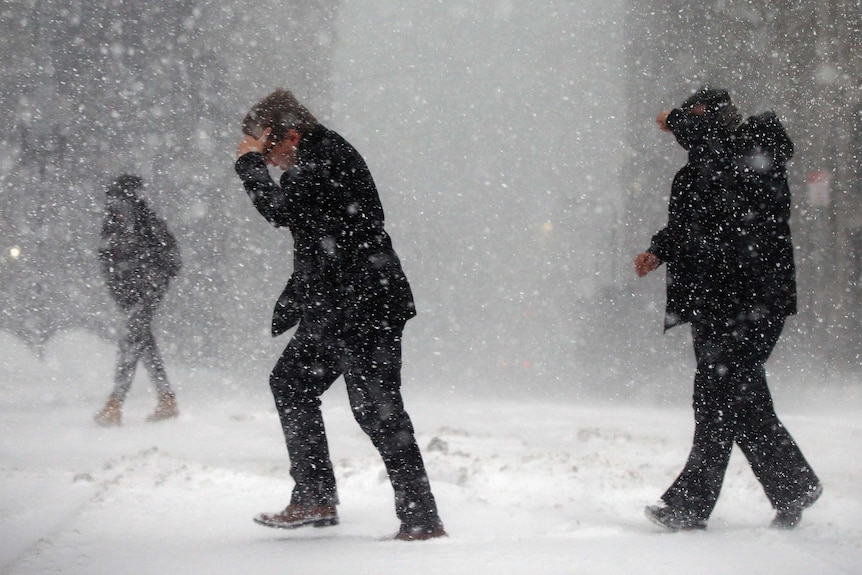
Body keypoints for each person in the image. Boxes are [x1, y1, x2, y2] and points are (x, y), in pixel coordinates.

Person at [234, 89, 446, 541]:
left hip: (364, 303)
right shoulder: (316, 157)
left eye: (268, 150)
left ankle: (421, 518)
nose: (269, 162)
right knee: (293, 383)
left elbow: (281, 212)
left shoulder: (321, 159)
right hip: (339, 304)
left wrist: (247, 166)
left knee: (377, 410)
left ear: (290, 134)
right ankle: (314, 496)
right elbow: (313, 232)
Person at [634, 86, 822, 530]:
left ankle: (690, 504)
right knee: (744, 403)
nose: (684, 121)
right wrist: (659, 250)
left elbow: (729, 207)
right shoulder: (704, 165)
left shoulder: (756, 149)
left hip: (750, 302)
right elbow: (697, 222)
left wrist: (679, 122)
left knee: (715, 400)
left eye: (695, 114)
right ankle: (793, 485)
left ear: (718, 117)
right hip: (717, 302)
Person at [94, 174, 182, 426]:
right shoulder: (113, 226)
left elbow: (173, 260)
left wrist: (151, 277)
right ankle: (166, 398)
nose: (117, 207)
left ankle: (115, 403)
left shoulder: (149, 224)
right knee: (143, 342)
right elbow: (107, 263)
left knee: (131, 341)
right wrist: (122, 290)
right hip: (131, 295)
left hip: (146, 292)